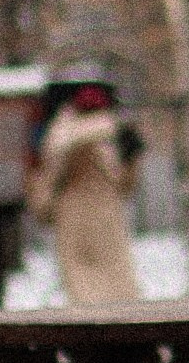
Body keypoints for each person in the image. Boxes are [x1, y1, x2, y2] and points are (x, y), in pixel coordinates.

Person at [28, 69, 145, 307]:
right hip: (91, 220)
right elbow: (124, 184)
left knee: (99, 289)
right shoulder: (101, 132)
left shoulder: (68, 134)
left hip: (90, 220)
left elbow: (50, 179)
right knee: (101, 289)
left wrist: (43, 207)